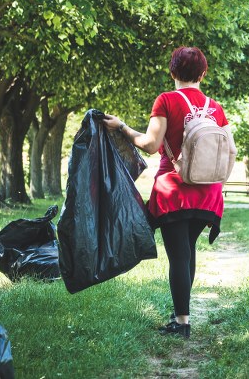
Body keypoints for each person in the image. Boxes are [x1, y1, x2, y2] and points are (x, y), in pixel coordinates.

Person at [103, 46, 229, 339]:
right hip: (208, 192)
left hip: (175, 190)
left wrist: (121, 126)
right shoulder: (216, 107)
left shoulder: (167, 101)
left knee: (179, 256)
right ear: (203, 73)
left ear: (172, 72)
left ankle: (182, 322)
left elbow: (149, 143)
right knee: (188, 252)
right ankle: (181, 314)